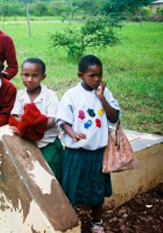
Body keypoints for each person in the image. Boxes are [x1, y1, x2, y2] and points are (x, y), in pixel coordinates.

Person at [56, 55, 120, 233]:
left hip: (98, 152)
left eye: (100, 74)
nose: (97, 79)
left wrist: (102, 99)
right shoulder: (72, 95)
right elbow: (63, 120)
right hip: (76, 153)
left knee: (97, 190)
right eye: (92, 75)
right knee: (72, 187)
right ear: (80, 75)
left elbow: (114, 117)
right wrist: (72, 133)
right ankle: (71, 220)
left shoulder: (104, 93)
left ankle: (97, 221)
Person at [11, 58, 63, 181]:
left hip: (47, 144)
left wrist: (32, 126)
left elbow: (52, 119)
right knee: (32, 177)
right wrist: (27, 127)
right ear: (21, 75)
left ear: (43, 77)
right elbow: (15, 116)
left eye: (35, 76)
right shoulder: (20, 95)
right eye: (26, 75)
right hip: (28, 144)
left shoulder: (49, 95)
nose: (29, 79)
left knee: (51, 176)